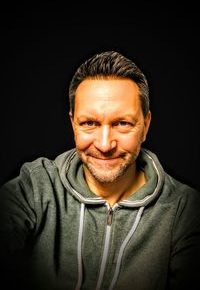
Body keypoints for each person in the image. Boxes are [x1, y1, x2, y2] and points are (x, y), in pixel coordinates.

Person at [0, 51, 200, 290]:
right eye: (89, 123)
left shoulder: (185, 210)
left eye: (122, 124)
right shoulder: (34, 186)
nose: (105, 145)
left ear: (145, 126)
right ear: (73, 124)